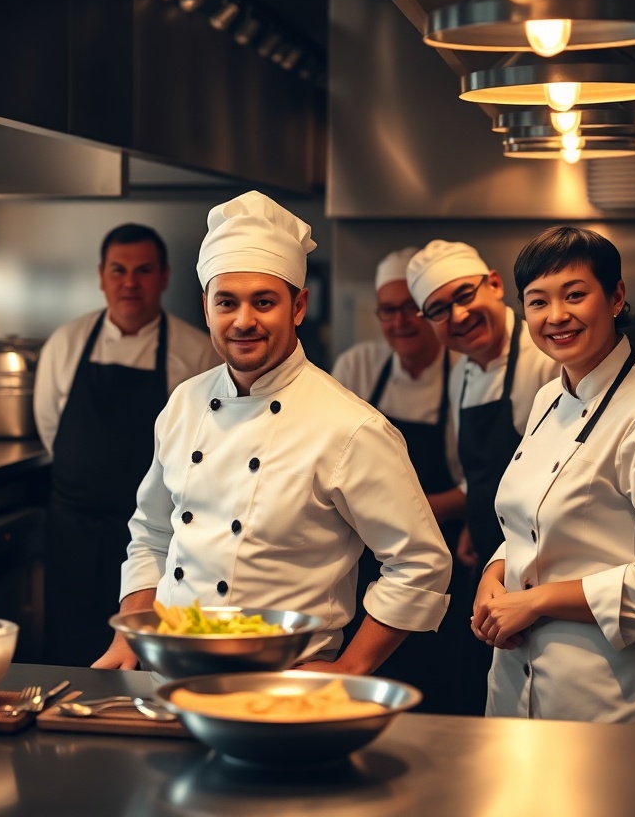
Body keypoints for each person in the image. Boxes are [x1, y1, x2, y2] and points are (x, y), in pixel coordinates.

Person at [95, 192, 452, 674]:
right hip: (171, 670)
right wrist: (130, 638)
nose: (244, 321)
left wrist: (350, 670)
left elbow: (420, 564)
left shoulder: (350, 427)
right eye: (227, 302)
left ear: (299, 306)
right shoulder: (184, 403)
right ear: (206, 308)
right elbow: (153, 531)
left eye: (264, 302)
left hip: (284, 686)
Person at [472, 226, 635, 724]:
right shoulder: (549, 398)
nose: (556, 316)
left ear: (616, 297)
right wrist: (493, 574)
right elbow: (535, 521)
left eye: (575, 295)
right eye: (538, 302)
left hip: (615, 695)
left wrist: (539, 601)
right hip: (518, 683)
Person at [34, 223, 218, 664]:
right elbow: (48, 424)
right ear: (101, 276)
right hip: (72, 531)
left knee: (146, 655)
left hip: (157, 536)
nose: (130, 283)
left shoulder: (196, 353)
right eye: (118, 270)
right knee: (71, 647)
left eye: (143, 270)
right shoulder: (66, 343)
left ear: (165, 276)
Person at [407, 238, 559, 713]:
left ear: (494, 284)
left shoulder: (546, 359)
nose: (456, 317)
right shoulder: (461, 375)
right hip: (490, 562)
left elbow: (561, 475)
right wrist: (476, 522)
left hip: (547, 565)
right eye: (437, 310)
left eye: (464, 296)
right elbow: (479, 474)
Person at [332, 247, 466, 709]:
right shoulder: (357, 367)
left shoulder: (463, 372)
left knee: (436, 678)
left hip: (445, 550)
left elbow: (481, 478)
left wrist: (410, 512)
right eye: (389, 311)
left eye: (412, 307)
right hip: (365, 551)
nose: (401, 321)